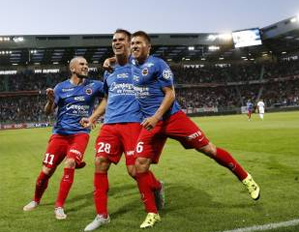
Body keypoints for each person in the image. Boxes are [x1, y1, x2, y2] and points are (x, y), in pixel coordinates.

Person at [129, 31, 260, 228]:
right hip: (150, 124)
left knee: (208, 149)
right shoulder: (131, 63)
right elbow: (120, 58)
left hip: (172, 118)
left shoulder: (158, 64)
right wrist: (111, 59)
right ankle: (152, 213)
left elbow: (170, 95)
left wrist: (157, 117)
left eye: (138, 43)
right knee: (139, 166)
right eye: (132, 43)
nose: (134, 46)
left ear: (148, 47)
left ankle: (246, 178)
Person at [80, 29, 164, 231]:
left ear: (129, 43)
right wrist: (92, 118)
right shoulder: (109, 72)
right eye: (114, 40)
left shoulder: (141, 65)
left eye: (121, 40)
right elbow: (107, 100)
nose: (116, 43)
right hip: (110, 125)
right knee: (100, 163)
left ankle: (157, 186)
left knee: (134, 171)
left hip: (134, 124)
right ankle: (102, 215)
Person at [23, 57, 104, 220]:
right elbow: (48, 111)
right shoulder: (61, 87)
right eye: (82, 64)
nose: (86, 66)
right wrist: (50, 101)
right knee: (46, 171)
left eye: (87, 64)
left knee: (70, 163)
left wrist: (94, 117)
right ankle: (35, 200)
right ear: (73, 69)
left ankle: (59, 206)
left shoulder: (95, 85)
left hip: (80, 134)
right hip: (59, 135)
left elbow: (109, 97)